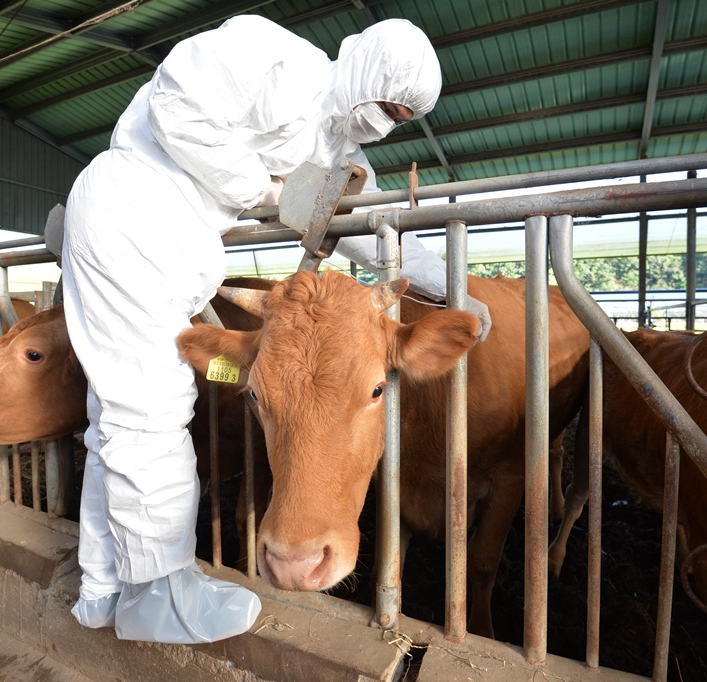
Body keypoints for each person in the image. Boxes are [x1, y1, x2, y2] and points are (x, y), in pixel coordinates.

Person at [60, 14, 492, 644]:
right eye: (387, 101)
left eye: (399, 117)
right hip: (136, 214)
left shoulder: (338, 153)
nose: (384, 120)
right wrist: (266, 190)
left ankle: (102, 586)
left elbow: (352, 232)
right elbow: (175, 109)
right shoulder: (277, 58)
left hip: (167, 237)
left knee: (116, 415)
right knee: (151, 410)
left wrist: (452, 287)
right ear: (366, 67)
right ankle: (159, 593)